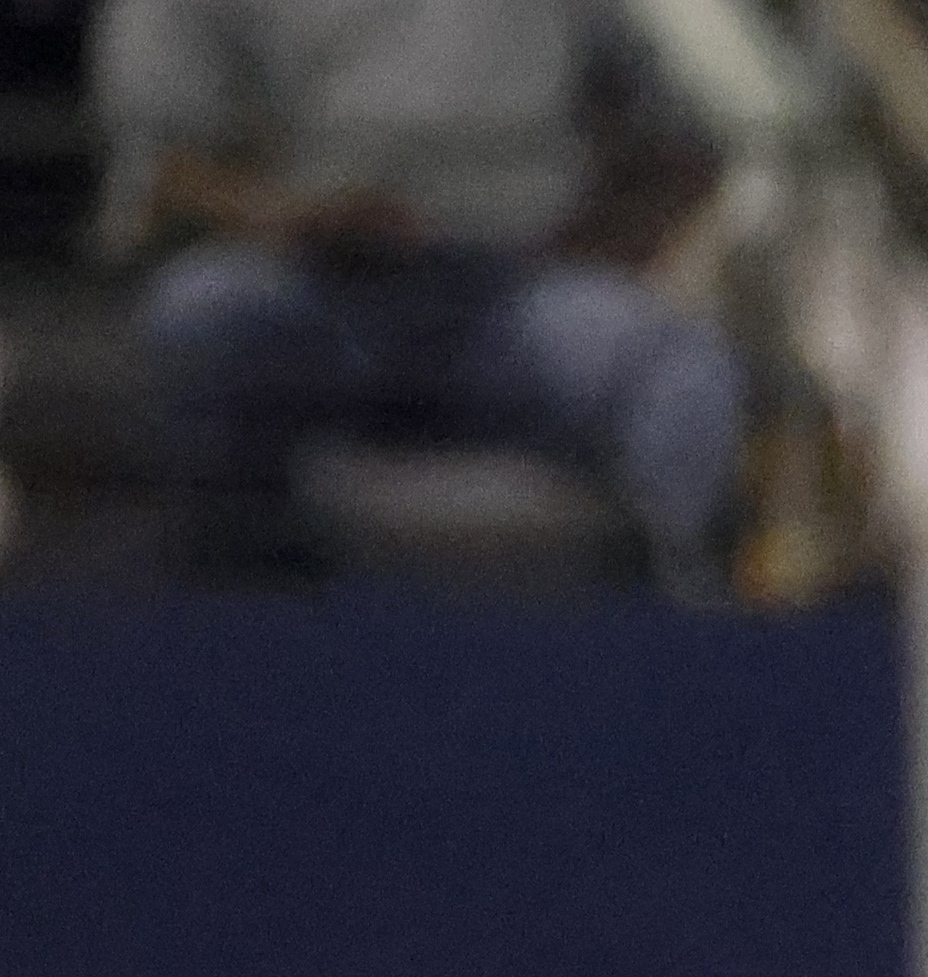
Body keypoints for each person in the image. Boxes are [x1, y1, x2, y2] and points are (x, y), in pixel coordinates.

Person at [91, 0, 738, 596]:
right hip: (304, 290)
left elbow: (681, 141)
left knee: (677, 370)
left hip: (505, 299)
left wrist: (579, 243)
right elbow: (160, 166)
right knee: (195, 318)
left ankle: (666, 648)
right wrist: (290, 217)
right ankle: (243, 625)